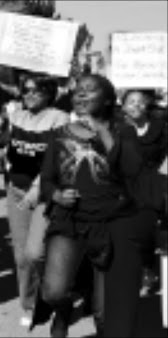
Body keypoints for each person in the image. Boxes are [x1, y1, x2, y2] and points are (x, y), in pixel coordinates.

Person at [37, 74, 157, 337]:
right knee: (53, 291)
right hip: (69, 221)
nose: (80, 94)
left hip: (113, 225)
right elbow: (46, 180)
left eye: (89, 91)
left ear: (107, 100)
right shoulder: (59, 135)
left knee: (105, 314)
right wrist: (56, 195)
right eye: (78, 90)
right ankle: (65, 308)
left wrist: (101, 130)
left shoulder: (124, 131)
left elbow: (133, 169)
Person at [3, 72, 69, 327]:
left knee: (36, 253)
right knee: (21, 257)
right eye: (26, 89)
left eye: (36, 90)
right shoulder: (17, 116)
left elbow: (57, 159)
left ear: (49, 93)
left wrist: (36, 187)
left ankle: (56, 292)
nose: (29, 94)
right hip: (16, 192)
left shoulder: (59, 118)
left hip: (43, 194)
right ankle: (30, 304)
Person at [121, 89, 168, 295]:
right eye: (131, 101)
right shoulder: (117, 129)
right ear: (123, 107)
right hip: (126, 186)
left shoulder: (160, 128)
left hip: (153, 184)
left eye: (140, 101)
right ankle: (138, 270)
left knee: (149, 231)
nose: (136, 105)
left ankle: (149, 269)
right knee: (131, 232)